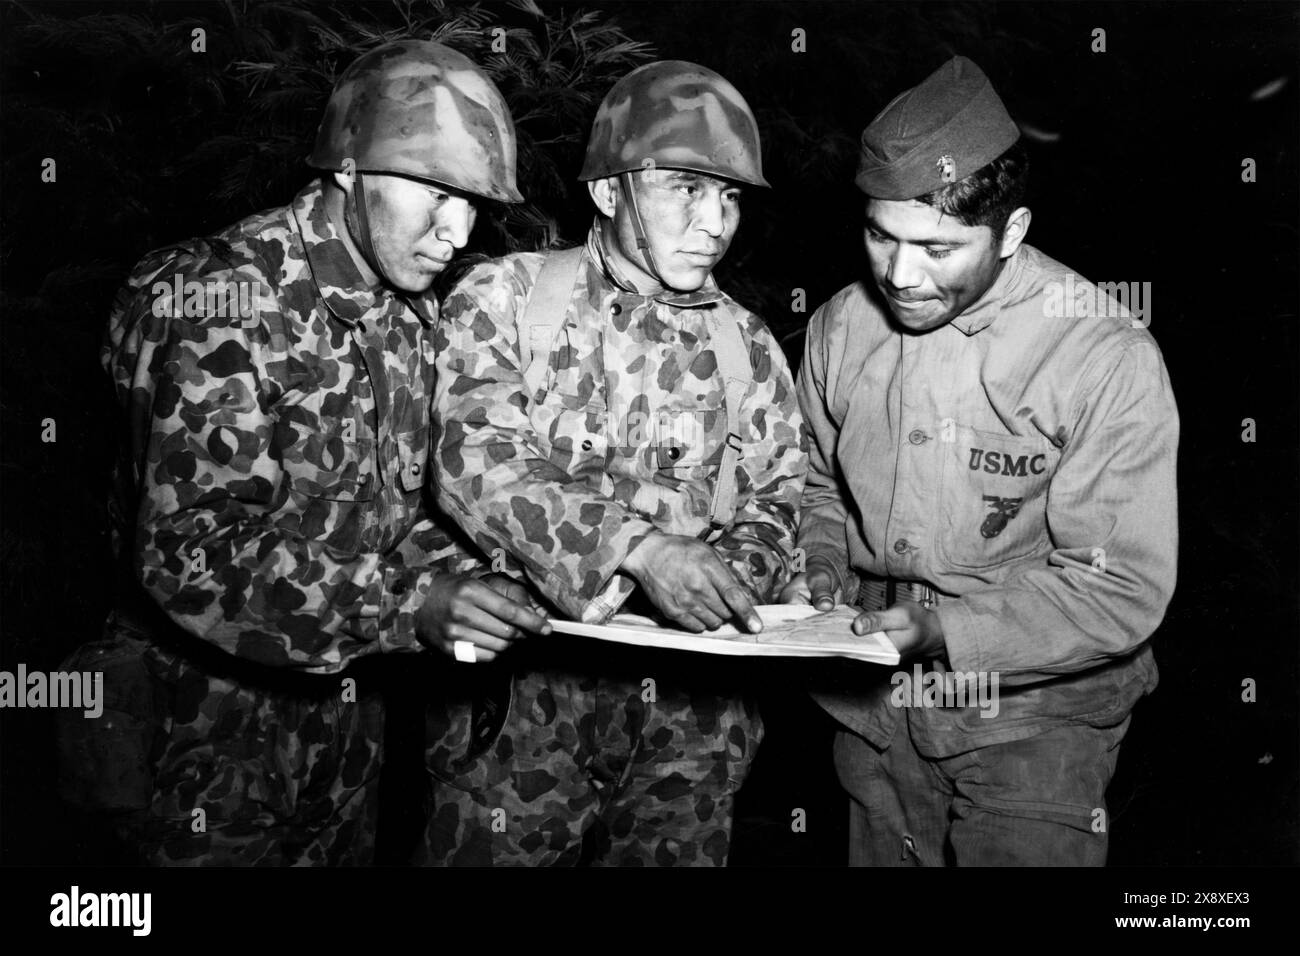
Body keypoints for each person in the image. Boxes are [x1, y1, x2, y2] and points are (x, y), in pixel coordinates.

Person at [91, 39, 548, 866]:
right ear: (348, 166)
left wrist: (483, 582)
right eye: (437, 192)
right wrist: (411, 606)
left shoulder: (402, 312)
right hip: (204, 730)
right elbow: (190, 550)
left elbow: (393, 516)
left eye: (475, 203)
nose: (457, 231)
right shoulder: (221, 301)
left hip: (346, 722)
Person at [781, 56, 1178, 866]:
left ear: (1014, 230)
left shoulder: (1101, 352)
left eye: (938, 249)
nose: (899, 275)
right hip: (875, 713)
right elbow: (812, 481)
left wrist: (945, 631)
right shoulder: (839, 328)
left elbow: (1121, 585)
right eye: (880, 236)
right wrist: (815, 569)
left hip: (1035, 718)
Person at [424, 60, 807, 866]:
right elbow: (475, 462)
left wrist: (721, 589)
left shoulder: (750, 347)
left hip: (693, 726)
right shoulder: (505, 299)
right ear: (609, 191)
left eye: (730, 196)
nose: (715, 222)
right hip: (522, 707)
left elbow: (779, 500)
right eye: (686, 189)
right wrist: (638, 551)